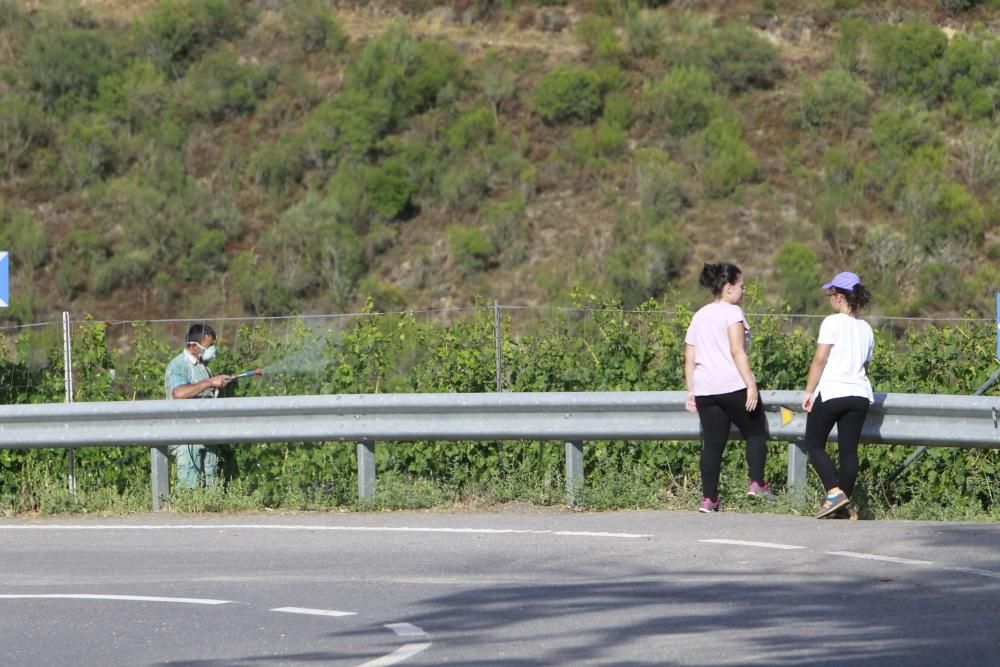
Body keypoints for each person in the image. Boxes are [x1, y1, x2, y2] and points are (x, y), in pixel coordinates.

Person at [685, 262, 773, 513]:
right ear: (728, 288)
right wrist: (751, 384)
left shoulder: (699, 315)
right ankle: (757, 482)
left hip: (705, 388)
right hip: (731, 384)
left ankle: (709, 499)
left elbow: (689, 357)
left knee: (712, 445)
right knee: (755, 431)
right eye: (741, 287)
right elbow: (736, 350)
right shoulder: (732, 312)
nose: (744, 292)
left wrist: (691, 390)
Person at [801, 271, 874, 519]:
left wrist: (809, 391)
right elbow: (865, 367)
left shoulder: (832, 322)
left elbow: (820, 360)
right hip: (859, 394)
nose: (830, 299)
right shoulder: (866, 328)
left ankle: (833, 492)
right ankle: (842, 508)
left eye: (831, 294)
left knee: (813, 443)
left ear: (840, 297)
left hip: (833, 391)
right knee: (848, 451)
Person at [164, 323, 230, 488]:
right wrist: (209, 382)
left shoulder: (202, 367)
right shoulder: (178, 365)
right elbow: (178, 393)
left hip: (205, 433)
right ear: (194, 346)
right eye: (209, 347)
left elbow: (202, 389)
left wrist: (215, 383)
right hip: (186, 436)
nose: (212, 351)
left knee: (210, 486)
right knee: (190, 487)